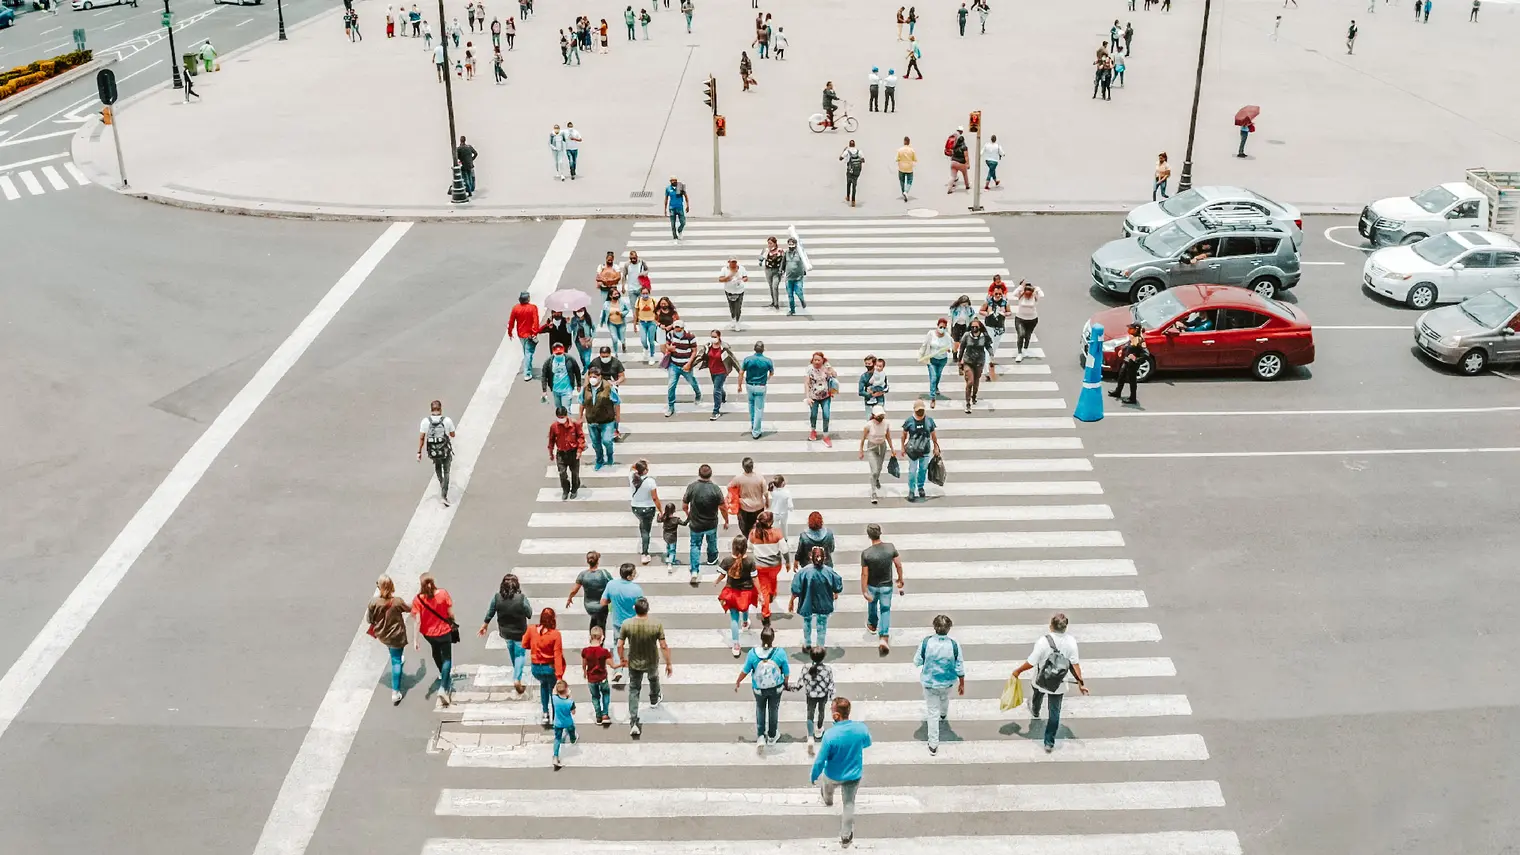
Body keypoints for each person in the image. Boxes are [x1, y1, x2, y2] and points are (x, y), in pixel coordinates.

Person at [1008, 613, 1089, 752]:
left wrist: (1017, 671)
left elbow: (1031, 662)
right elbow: (1075, 665)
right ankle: (1049, 742)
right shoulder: (1071, 642)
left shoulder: (1043, 642)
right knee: (1054, 713)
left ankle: (1036, 710)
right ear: (1065, 627)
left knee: (1037, 695)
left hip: (1041, 680)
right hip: (1059, 684)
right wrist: (1081, 684)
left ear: (1051, 626)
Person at [811, 697, 871, 848]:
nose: (830, 711)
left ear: (837, 715)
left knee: (827, 788)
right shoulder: (860, 729)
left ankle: (828, 800)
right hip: (853, 774)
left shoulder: (830, 735)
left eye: (831, 709)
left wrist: (813, 775)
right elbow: (867, 743)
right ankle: (846, 836)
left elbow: (820, 760)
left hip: (833, 774)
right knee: (849, 804)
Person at [617, 597, 672, 739]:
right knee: (653, 678)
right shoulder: (656, 624)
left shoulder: (626, 624)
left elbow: (619, 644)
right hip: (652, 660)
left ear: (635, 609)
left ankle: (634, 721)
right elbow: (664, 645)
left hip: (634, 662)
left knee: (634, 689)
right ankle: (654, 698)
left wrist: (622, 658)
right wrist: (668, 663)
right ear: (648, 609)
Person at [914, 614, 965, 755]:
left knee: (932, 714)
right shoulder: (954, 644)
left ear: (934, 627)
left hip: (930, 684)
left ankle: (933, 744)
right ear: (949, 629)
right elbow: (959, 665)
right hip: (948, 682)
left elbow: (917, 661)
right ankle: (943, 714)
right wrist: (962, 684)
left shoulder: (926, 642)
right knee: (945, 698)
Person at [736, 625, 790, 749]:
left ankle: (761, 736)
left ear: (761, 638)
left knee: (760, 709)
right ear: (773, 639)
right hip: (776, 688)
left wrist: (738, 681)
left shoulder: (752, 654)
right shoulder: (780, 653)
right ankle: (772, 736)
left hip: (759, 689)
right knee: (773, 709)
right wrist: (785, 683)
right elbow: (786, 672)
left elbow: (745, 670)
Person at [479, 573, 531, 694]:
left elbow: (491, 611)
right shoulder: (521, 598)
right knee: (520, 655)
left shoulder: (497, 597)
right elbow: (529, 613)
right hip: (520, 632)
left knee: (512, 651)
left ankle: (516, 672)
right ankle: (517, 678)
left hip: (505, 632)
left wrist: (485, 624)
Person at [411, 573, 458, 706]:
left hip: (429, 634)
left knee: (436, 653)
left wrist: (416, 640)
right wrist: (453, 622)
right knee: (447, 658)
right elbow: (450, 613)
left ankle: (442, 674)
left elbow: (417, 622)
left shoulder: (418, 600)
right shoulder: (443, 594)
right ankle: (443, 687)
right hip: (444, 632)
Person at [366, 575, 411, 705]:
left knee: (394, 653)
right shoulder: (397, 601)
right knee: (396, 662)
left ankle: (395, 655)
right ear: (391, 586)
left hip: (383, 634)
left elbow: (369, 620)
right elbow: (409, 609)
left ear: (379, 587)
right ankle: (395, 692)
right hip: (397, 635)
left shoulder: (373, 602)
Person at [860, 523, 904, 654]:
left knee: (872, 605)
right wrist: (900, 579)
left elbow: (864, 574)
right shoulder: (890, 548)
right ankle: (884, 637)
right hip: (886, 586)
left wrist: (864, 590)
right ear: (880, 533)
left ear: (869, 536)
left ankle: (872, 625)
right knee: (885, 610)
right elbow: (898, 565)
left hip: (872, 586)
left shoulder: (866, 554)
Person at [789, 545, 843, 651]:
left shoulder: (803, 572)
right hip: (824, 604)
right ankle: (820, 646)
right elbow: (838, 586)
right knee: (822, 625)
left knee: (807, 621)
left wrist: (791, 601)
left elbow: (796, 589)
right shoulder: (829, 572)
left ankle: (807, 644)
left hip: (807, 603)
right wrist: (836, 593)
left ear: (810, 557)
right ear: (825, 557)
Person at [600, 563, 645, 684]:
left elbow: (603, 602)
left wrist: (613, 600)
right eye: (634, 573)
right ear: (629, 576)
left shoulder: (611, 585)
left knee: (616, 645)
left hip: (617, 622)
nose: (635, 574)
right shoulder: (637, 589)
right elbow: (642, 607)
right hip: (632, 623)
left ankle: (618, 670)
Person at [683, 463, 727, 583]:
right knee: (712, 541)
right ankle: (712, 559)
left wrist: (689, 515)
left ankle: (694, 570)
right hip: (711, 523)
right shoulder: (715, 489)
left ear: (699, 474)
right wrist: (726, 520)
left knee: (695, 545)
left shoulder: (692, 487)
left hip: (696, 524)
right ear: (711, 474)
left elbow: (684, 505)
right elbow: (723, 507)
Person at [716, 534, 759, 656]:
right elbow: (755, 578)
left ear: (733, 547)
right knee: (745, 608)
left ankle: (736, 644)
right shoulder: (750, 561)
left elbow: (722, 575)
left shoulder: (727, 560)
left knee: (734, 618)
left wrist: (716, 582)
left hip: (732, 593)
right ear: (746, 547)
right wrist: (760, 593)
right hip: (746, 592)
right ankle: (745, 623)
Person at [523, 608, 566, 727]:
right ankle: (555, 717)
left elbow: (524, 644)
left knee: (543, 685)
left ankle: (545, 713)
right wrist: (559, 675)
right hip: (550, 668)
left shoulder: (532, 629)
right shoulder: (555, 635)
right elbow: (557, 655)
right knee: (554, 691)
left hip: (536, 668)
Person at [750, 511, 786, 624]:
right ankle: (773, 592)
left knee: (763, 589)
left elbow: (749, 547)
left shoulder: (753, 533)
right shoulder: (777, 533)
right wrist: (788, 562)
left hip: (760, 567)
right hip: (775, 565)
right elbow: (784, 550)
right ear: (770, 522)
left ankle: (766, 614)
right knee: (773, 578)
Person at [418, 399, 456, 507]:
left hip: (433, 452)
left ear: (431, 409)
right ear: (441, 409)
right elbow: (453, 434)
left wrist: (419, 452)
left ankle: (442, 484)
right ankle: (444, 496)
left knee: (438, 468)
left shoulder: (425, 421)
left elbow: (421, 438)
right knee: (447, 471)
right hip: (445, 450)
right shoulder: (447, 420)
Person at [900, 400, 940, 502]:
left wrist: (936, 447)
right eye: (918, 410)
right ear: (914, 410)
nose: (920, 412)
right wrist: (902, 447)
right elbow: (903, 435)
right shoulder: (909, 421)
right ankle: (911, 490)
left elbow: (933, 435)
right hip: (913, 451)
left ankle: (920, 487)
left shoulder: (929, 421)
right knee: (912, 471)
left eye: (922, 410)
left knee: (923, 470)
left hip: (925, 450)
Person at [858, 406, 898, 504]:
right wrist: (861, 450)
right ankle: (873, 492)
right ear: (874, 416)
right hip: (872, 448)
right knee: (874, 470)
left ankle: (876, 480)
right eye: (879, 416)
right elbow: (863, 438)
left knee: (879, 468)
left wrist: (892, 448)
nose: (881, 418)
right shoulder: (868, 425)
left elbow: (888, 437)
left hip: (882, 447)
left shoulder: (886, 424)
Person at [580, 367, 617, 470]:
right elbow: (582, 402)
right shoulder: (586, 389)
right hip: (592, 421)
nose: (592, 379)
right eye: (590, 376)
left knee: (607, 441)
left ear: (600, 377)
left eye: (595, 377)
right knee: (596, 444)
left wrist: (617, 418)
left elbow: (617, 402)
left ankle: (610, 455)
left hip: (607, 421)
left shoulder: (609, 387)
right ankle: (599, 460)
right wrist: (580, 417)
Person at [663, 318, 701, 417]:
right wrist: (669, 348)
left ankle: (698, 394)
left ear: (682, 328)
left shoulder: (690, 336)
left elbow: (694, 351)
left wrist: (689, 363)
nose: (676, 329)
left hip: (685, 365)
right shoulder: (670, 334)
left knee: (692, 381)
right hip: (674, 364)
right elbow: (666, 344)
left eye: (678, 328)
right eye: (675, 327)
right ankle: (671, 406)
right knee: (671, 386)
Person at [566, 550, 612, 631]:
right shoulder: (604, 573)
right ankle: (599, 640)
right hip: (602, 605)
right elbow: (612, 586)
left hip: (589, 606)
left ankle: (592, 636)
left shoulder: (583, 575)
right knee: (601, 624)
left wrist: (570, 598)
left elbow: (574, 590)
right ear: (598, 561)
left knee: (594, 618)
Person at [547, 405, 585, 500]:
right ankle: (565, 489)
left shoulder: (574, 424)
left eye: (562, 417)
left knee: (575, 472)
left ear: (566, 415)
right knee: (562, 473)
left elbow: (581, 437)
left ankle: (574, 489)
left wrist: (579, 450)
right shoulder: (554, 427)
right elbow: (551, 440)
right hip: (561, 454)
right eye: (559, 418)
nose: (561, 419)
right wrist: (551, 453)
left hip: (573, 452)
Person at [739, 342, 775, 439]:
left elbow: (741, 372)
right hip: (761, 386)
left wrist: (739, 385)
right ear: (763, 349)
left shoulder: (748, 359)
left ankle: (753, 424)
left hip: (750, 385)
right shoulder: (768, 361)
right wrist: (766, 378)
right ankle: (756, 431)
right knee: (759, 409)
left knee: (751, 406)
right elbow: (771, 373)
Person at [629, 460, 662, 564]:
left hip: (635, 507)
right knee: (646, 531)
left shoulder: (632, 477)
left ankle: (642, 526)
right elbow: (655, 498)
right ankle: (645, 553)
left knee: (642, 524)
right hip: (648, 508)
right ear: (644, 471)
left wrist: (639, 463)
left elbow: (632, 467)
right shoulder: (650, 481)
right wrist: (661, 510)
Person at [956, 317, 992, 413]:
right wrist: (959, 361)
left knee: (976, 382)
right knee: (970, 382)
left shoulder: (984, 336)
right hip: (968, 361)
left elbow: (988, 345)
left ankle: (974, 396)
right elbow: (962, 348)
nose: (974, 329)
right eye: (972, 327)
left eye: (976, 327)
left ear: (980, 327)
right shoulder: (966, 336)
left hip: (979, 362)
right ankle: (968, 404)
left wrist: (991, 353)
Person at [702, 330, 739, 420]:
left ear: (719, 337)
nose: (713, 338)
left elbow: (732, 359)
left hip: (722, 371)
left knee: (716, 390)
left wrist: (740, 370)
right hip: (712, 370)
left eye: (715, 336)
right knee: (718, 387)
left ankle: (716, 411)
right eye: (712, 336)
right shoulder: (708, 346)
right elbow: (700, 356)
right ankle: (723, 396)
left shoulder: (724, 347)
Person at [728, 456, 769, 536]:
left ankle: (748, 541)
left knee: (745, 528)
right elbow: (765, 493)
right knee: (759, 526)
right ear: (753, 466)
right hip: (759, 507)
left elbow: (729, 487)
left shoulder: (738, 478)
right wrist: (767, 501)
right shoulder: (760, 477)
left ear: (743, 467)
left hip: (745, 508)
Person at [804, 351, 838, 446]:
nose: (816, 362)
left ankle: (826, 436)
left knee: (826, 415)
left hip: (825, 396)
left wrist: (830, 371)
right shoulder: (809, 369)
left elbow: (835, 375)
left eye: (818, 360)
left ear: (822, 360)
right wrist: (807, 397)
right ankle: (813, 430)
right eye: (815, 360)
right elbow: (806, 383)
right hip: (813, 396)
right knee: (813, 415)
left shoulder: (826, 366)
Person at [581, 626, 613, 726]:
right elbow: (610, 663)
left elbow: (584, 664)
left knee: (595, 697)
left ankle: (598, 716)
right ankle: (605, 714)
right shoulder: (604, 651)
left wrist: (585, 672)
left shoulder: (585, 651)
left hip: (591, 678)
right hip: (602, 677)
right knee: (606, 694)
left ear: (590, 637)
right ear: (602, 637)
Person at [919, 318, 954, 406]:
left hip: (942, 360)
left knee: (938, 375)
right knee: (933, 377)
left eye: (944, 327)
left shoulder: (947, 336)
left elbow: (951, 346)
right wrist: (921, 355)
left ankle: (935, 387)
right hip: (932, 359)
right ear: (937, 326)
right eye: (941, 327)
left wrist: (949, 350)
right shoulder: (931, 334)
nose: (942, 329)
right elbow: (924, 344)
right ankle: (932, 397)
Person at [1110, 322, 1146, 404]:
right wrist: (1122, 350)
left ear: (1136, 330)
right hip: (1126, 360)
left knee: (1132, 380)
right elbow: (1128, 344)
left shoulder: (1140, 340)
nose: (1129, 330)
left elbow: (1145, 354)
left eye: (1131, 328)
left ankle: (1132, 398)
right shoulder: (1133, 337)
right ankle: (1117, 392)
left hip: (1133, 364)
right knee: (1121, 376)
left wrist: (1136, 358)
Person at [981, 281, 1010, 379]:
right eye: (996, 293)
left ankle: (990, 359)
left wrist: (1004, 314)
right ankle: (986, 367)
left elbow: (1009, 312)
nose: (998, 295)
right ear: (993, 293)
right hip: (989, 326)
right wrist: (987, 314)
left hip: (1000, 327)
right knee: (989, 345)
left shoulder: (1005, 302)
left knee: (995, 345)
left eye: (1000, 294)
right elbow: (981, 311)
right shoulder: (988, 301)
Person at [550, 679, 577, 768]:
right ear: (566, 690)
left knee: (557, 738)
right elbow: (573, 712)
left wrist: (558, 683)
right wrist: (570, 695)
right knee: (572, 731)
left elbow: (554, 691)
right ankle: (573, 739)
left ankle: (555, 756)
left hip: (558, 723)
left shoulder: (554, 699)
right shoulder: (570, 702)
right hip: (568, 722)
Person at [718, 258, 750, 331]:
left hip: (739, 291)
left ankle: (737, 322)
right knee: (732, 306)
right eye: (732, 262)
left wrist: (741, 280)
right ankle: (733, 318)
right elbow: (720, 279)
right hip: (729, 290)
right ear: (729, 262)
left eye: (735, 262)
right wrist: (728, 277)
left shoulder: (741, 268)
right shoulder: (724, 269)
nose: (734, 263)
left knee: (738, 307)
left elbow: (746, 278)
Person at [769, 475, 795, 566]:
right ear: (783, 483)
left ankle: (775, 540)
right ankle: (785, 539)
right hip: (783, 513)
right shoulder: (787, 493)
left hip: (775, 512)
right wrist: (790, 508)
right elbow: (790, 505)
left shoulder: (773, 492)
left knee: (775, 527)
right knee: (784, 525)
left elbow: (771, 491)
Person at [635, 284, 661, 365]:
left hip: (651, 323)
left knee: (651, 340)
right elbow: (636, 312)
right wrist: (635, 323)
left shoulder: (653, 301)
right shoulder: (638, 300)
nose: (645, 295)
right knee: (643, 340)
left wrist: (658, 321)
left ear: (649, 293)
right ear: (641, 294)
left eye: (646, 293)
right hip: (642, 322)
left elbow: (658, 312)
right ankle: (645, 348)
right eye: (643, 293)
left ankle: (652, 355)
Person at [783, 236, 808, 315]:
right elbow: (783, 263)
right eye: (789, 244)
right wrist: (781, 270)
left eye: (792, 244)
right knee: (790, 295)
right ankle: (792, 310)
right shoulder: (786, 253)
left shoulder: (800, 253)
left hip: (798, 277)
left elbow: (805, 261)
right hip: (789, 277)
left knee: (798, 292)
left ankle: (802, 300)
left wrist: (804, 269)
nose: (791, 246)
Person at [758, 237, 785, 310]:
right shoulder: (766, 250)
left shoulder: (780, 250)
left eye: (771, 243)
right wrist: (760, 260)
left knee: (775, 286)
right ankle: (773, 301)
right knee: (771, 286)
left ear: (775, 243)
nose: (769, 245)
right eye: (768, 243)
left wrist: (782, 270)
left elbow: (783, 261)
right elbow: (761, 258)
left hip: (777, 271)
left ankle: (776, 303)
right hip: (768, 270)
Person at [658, 502, 687, 567]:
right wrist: (689, 518)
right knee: (672, 551)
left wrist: (658, 515)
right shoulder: (676, 519)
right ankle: (671, 562)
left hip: (665, 536)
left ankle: (668, 558)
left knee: (668, 547)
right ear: (674, 510)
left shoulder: (664, 517)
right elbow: (684, 523)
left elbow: (658, 520)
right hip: (673, 537)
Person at [840, 140, 864, 207]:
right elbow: (863, 160)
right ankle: (853, 201)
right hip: (856, 172)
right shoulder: (859, 151)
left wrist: (843, 151)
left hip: (849, 170)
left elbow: (840, 158)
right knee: (854, 186)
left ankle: (848, 197)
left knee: (848, 183)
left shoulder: (847, 151)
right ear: (854, 145)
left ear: (849, 144)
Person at [664, 176, 688, 241]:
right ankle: (675, 237)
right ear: (670, 181)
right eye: (672, 180)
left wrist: (687, 205)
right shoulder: (668, 189)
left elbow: (686, 196)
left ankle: (679, 230)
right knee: (672, 223)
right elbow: (666, 199)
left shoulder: (680, 187)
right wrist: (665, 209)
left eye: (675, 180)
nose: (674, 182)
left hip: (680, 207)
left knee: (683, 222)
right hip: (672, 208)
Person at [947, 127, 969, 193]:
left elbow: (952, 153)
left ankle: (949, 189)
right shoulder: (964, 147)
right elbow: (966, 156)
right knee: (965, 174)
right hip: (961, 163)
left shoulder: (954, 147)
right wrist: (967, 164)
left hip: (953, 162)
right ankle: (967, 185)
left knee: (952, 176)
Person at [895, 136, 916, 200]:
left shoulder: (900, 150)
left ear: (904, 142)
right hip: (909, 168)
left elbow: (897, 159)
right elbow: (914, 159)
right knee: (910, 180)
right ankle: (906, 191)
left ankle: (903, 191)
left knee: (902, 181)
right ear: (909, 142)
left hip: (901, 168)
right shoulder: (912, 150)